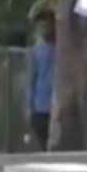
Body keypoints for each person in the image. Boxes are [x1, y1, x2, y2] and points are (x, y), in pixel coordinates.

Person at [26, 10, 55, 152]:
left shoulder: (61, 48)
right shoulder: (36, 51)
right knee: (44, 144)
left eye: (46, 25)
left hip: (57, 106)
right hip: (40, 107)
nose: (43, 29)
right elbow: (31, 79)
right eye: (40, 26)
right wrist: (29, 106)